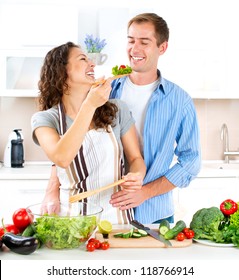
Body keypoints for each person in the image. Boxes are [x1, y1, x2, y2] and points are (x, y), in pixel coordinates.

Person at [31, 42, 146, 224]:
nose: (92, 64)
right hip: (72, 222)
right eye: (83, 59)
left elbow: (135, 159)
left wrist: (137, 175)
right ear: (62, 71)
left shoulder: (118, 109)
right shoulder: (45, 120)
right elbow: (61, 158)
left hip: (117, 219)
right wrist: (90, 104)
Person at [109, 13, 201, 224]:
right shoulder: (107, 91)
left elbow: (191, 161)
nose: (135, 49)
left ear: (162, 47)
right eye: (131, 40)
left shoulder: (179, 100)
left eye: (144, 42)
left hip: (155, 214)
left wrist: (145, 192)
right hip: (107, 212)